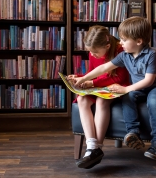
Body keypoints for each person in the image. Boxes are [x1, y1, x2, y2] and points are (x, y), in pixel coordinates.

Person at [73, 16, 156, 161]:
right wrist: (84, 78)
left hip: (153, 88)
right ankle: (133, 133)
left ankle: (155, 144)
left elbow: (149, 81)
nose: (120, 42)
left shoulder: (151, 56)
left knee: (153, 102)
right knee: (128, 97)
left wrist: (126, 89)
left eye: (124, 40)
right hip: (137, 88)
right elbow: (104, 67)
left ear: (138, 41)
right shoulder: (125, 56)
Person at [67, 25, 130, 169]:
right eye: (90, 51)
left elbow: (120, 77)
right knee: (82, 99)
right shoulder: (94, 51)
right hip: (98, 85)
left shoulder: (120, 50)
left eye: (95, 52)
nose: (92, 54)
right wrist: (79, 77)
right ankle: (91, 146)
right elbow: (93, 71)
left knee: (102, 101)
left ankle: (97, 148)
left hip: (116, 85)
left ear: (107, 46)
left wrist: (92, 82)